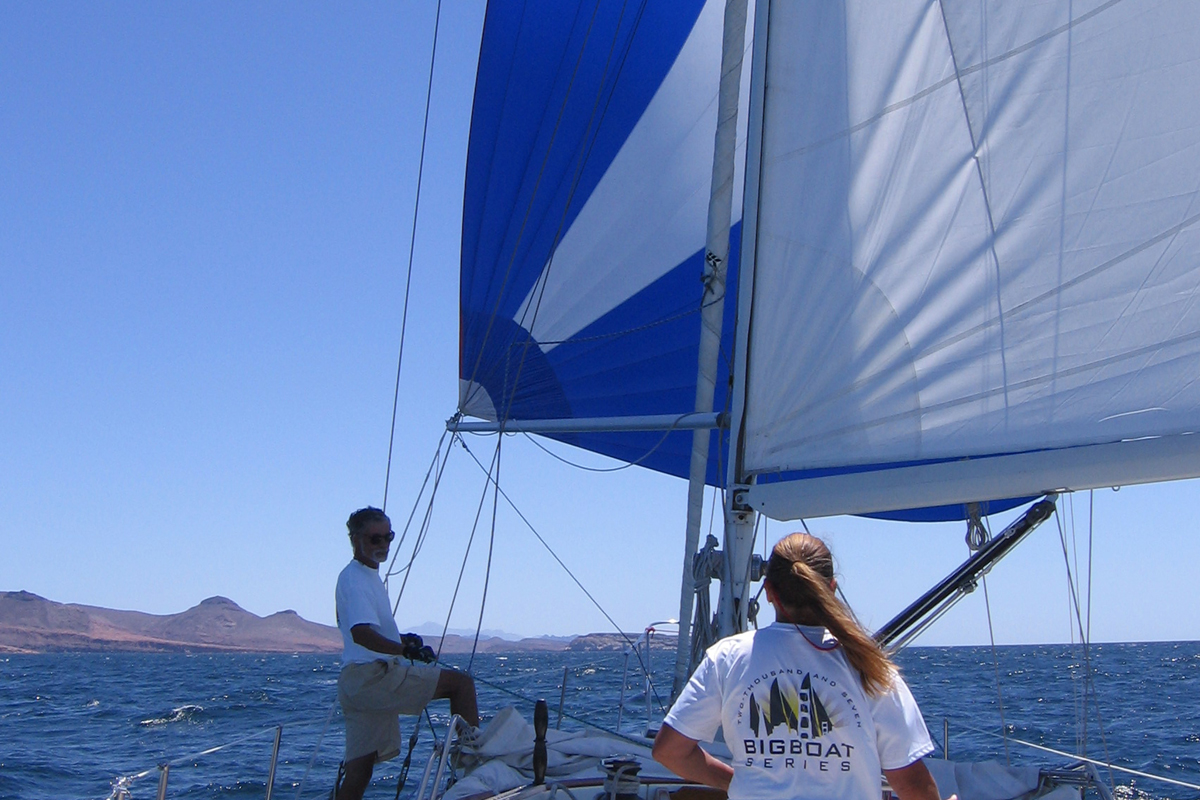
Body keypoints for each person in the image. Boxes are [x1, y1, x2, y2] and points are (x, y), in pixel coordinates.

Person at [653, 533, 953, 800]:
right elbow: (911, 784)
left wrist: (737, 784)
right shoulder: (868, 665)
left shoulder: (728, 657)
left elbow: (669, 751)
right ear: (831, 589)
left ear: (768, 591)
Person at [335, 506, 480, 800]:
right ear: (355, 539)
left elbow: (368, 630)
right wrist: (403, 650)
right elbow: (361, 633)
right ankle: (477, 773)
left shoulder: (361, 576)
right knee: (461, 685)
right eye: (375, 539)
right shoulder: (357, 580)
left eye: (388, 537)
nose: (384, 544)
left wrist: (403, 640)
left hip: (356, 683)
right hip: (373, 677)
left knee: (360, 768)